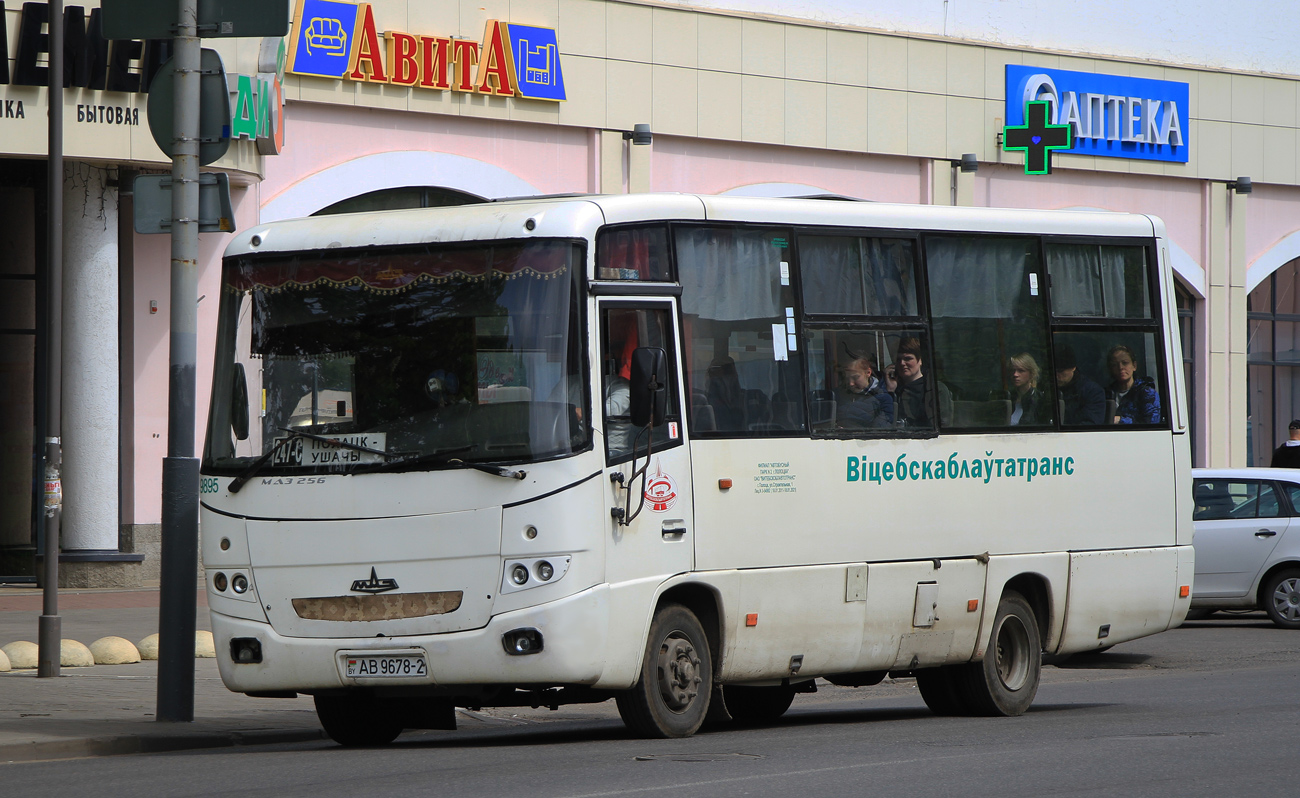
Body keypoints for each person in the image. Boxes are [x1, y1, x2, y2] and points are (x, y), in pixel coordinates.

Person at [886, 337, 952, 428]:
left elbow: (943, 424)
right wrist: (890, 392)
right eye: (898, 359)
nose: (902, 363)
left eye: (908, 359)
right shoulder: (893, 388)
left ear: (920, 360)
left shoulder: (935, 389)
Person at [1106, 344, 1160, 424]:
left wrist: (1120, 420)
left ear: (1134, 366)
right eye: (1114, 365)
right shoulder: (1106, 393)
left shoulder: (1147, 393)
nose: (1120, 367)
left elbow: (1152, 423)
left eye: (1125, 363)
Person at [836, 356, 894, 428]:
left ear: (868, 372)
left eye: (855, 377)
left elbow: (881, 429)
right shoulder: (839, 395)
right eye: (847, 378)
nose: (851, 383)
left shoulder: (882, 398)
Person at [1054, 344, 1105, 425]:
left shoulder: (1092, 392)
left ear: (1073, 368)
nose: (1056, 376)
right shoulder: (1045, 389)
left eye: (1060, 371)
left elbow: (1090, 425)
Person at [1007, 352, 1048, 425]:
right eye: (1012, 370)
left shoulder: (1040, 400)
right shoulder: (1008, 398)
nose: (1015, 374)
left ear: (1031, 373)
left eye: (1021, 370)